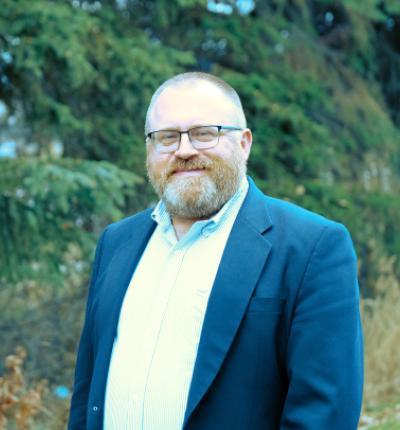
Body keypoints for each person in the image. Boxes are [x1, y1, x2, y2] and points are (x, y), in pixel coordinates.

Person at [68, 72, 363, 430]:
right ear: (150, 149)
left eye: (205, 133)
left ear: (244, 143)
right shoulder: (117, 243)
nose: (184, 149)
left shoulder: (311, 247)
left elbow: (324, 414)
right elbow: (86, 395)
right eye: (167, 137)